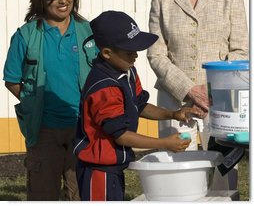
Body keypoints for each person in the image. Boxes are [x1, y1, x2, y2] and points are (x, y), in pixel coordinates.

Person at [147, 0, 248, 189]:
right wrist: (189, 89)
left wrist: (212, 89)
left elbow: (240, 49)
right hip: (175, 103)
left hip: (222, 104)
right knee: (180, 179)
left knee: (224, 179)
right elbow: (156, 55)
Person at [73, 10, 202, 201]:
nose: (135, 56)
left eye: (136, 49)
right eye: (129, 52)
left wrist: (173, 114)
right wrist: (164, 143)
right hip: (97, 170)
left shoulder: (127, 71)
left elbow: (140, 104)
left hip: (113, 167)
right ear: (107, 53)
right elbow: (121, 136)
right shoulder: (104, 87)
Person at [3, 0, 97, 201]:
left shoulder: (89, 31)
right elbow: (12, 80)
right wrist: (34, 103)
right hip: (43, 130)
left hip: (83, 130)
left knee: (81, 195)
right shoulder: (25, 35)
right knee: (43, 195)